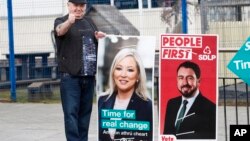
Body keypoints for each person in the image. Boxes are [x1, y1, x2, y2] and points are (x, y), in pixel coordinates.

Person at [53, 0, 105, 141]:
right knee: (71, 114)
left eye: (81, 6)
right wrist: (69, 22)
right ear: (68, 5)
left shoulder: (90, 22)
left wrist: (100, 38)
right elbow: (59, 31)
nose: (78, 9)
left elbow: (97, 41)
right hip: (70, 77)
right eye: (75, 5)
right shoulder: (61, 20)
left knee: (85, 115)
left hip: (88, 77)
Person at [98, 48, 153, 141]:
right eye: (119, 68)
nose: (123, 74)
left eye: (130, 70)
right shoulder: (102, 101)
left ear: (138, 75)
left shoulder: (147, 105)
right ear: (113, 72)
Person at [163, 61, 216, 139]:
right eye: (181, 78)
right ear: (177, 80)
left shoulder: (210, 108)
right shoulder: (171, 103)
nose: (184, 82)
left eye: (190, 78)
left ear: (198, 81)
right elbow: (167, 134)